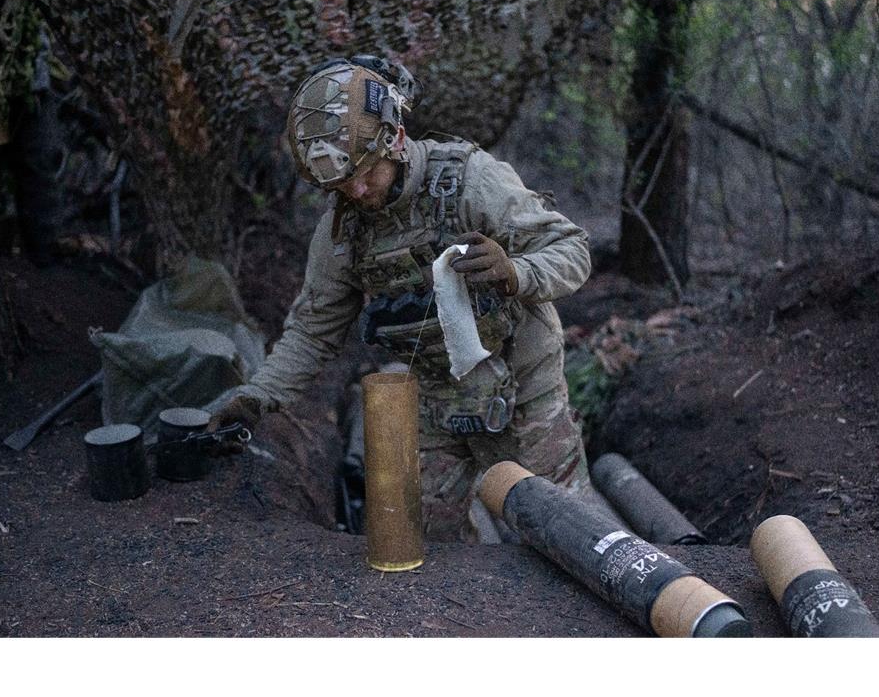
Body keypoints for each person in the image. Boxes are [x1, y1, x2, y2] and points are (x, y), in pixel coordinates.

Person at [210, 55, 594, 541]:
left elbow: (572, 249)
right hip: (437, 398)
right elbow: (313, 329)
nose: (357, 189)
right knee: (423, 544)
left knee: (567, 536)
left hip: (523, 388)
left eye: (365, 171)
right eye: (339, 183)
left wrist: (516, 272)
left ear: (394, 138)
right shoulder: (342, 229)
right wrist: (255, 397)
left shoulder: (471, 180)